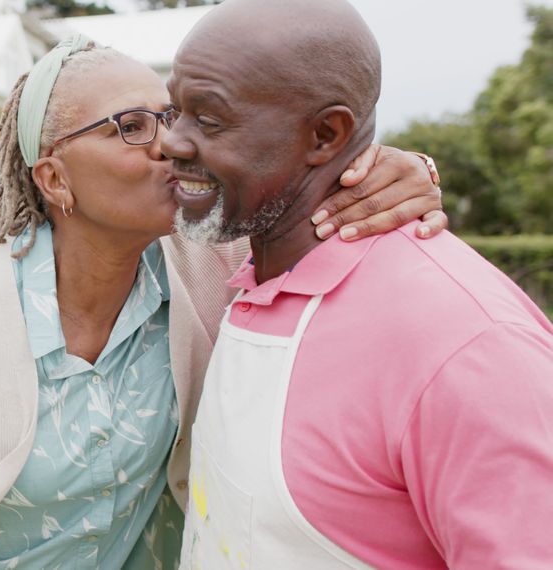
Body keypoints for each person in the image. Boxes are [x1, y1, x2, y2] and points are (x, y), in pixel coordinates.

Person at [0, 35, 447, 570]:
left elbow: (313, 202)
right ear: (55, 179)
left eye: (171, 118)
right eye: (131, 127)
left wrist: (405, 168)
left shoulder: (212, 265)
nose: (171, 143)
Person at [161, 1, 553, 568]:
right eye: (175, 111)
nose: (172, 141)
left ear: (326, 133)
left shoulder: (469, 344)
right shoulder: (243, 271)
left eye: (211, 119)